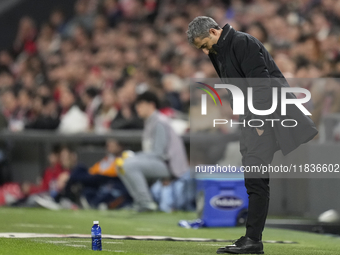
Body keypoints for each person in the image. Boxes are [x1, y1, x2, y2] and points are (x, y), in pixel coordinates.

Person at [187, 16, 318, 254]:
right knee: (253, 178)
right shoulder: (221, 50)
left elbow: (262, 83)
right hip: (252, 117)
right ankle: (252, 238)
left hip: (266, 117)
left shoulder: (242, 42)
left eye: (205, 45)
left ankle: (253, 241)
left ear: (215, 31)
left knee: (256, 178)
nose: (206, 52)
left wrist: (258, 120)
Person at [118, 91, 188, 212]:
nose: (137, 108)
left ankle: (146, 202)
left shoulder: (159, 121)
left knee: (129, 165)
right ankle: (139, 201)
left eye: (141, 104)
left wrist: (134, 156)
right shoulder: (149, 121)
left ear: (151, 105)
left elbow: (158, 153)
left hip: (170, 165)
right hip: (160, 162)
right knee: (120, 165)